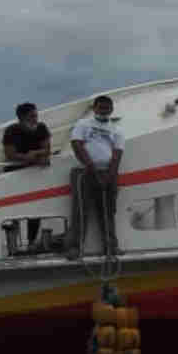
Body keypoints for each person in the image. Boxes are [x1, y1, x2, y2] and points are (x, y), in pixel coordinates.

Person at [67, 95, 124, 260]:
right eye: (101, 107)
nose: (104, 110)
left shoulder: (117, 129)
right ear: (94, 108)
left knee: (108, 211)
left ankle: (111, 247)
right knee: (81, 211)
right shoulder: (83, 124)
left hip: (108, 173)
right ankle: (75, 248)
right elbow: (76, 144)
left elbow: (117, 153)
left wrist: (110, 175)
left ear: (111, 110)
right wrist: (91, 167)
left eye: (107, 108)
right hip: (85, 173)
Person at [3, 102, 53, 246]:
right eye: (32, 116)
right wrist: (26, 157)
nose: (35, 119)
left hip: (35, 174)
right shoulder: (11, 131)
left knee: (35, 209)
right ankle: (13, 244)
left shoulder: (42, 128)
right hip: (15, 174)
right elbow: (9, 154)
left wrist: (34, 153)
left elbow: (47, 149)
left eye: (36, 115)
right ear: (21, 117)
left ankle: (31, 242)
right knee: (14, 210)